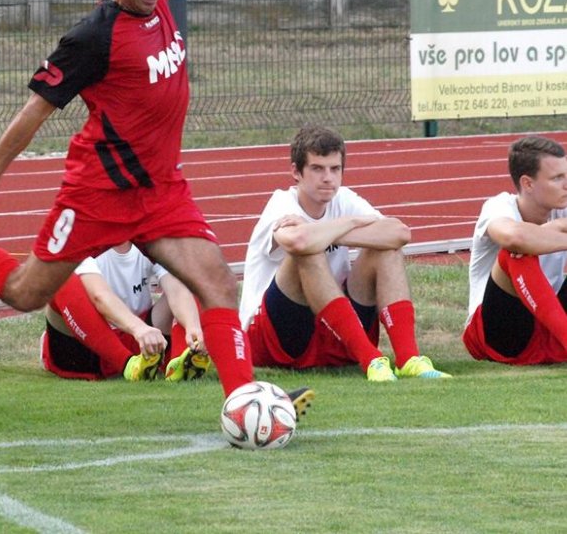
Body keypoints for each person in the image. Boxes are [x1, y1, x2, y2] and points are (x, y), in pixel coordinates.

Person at [0, 0, 314, 418]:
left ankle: (244, 406)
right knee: (26, 293)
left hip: (161, 192)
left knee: (218, 282)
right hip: (98, 194)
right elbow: (33, 111)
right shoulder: (94, 37)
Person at [240, 124, 451, 381]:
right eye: (317, 169)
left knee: (386, 250)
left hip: (335, 327)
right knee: (307, 253)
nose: (328, 178)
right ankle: (370, 358)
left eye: (335, 169)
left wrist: (333, 229)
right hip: (275, 337)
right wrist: (348, 225)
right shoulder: (282, 202)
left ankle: (408, 358)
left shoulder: (345, 200)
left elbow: (400, 233)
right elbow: (298, 242)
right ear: (296, 172)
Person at [41, 241, 212, 382]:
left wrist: (193, 327)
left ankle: (180, 362)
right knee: (61, 278)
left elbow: (177, 289)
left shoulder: (153, 235)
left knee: (190, 274)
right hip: (84, 348)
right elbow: (100, 296)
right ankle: (128, 365)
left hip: (141, 343)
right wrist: (139, 328)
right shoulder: (79, 235)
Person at [462, 135, 567, 365]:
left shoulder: (562, 208)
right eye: (557, 178)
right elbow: (514, 237)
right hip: (500, 332)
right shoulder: (498, 206)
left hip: (549, 322)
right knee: (515, 252)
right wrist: (557, 231)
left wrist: (556, 228)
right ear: (528, 184)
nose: (566, 184)